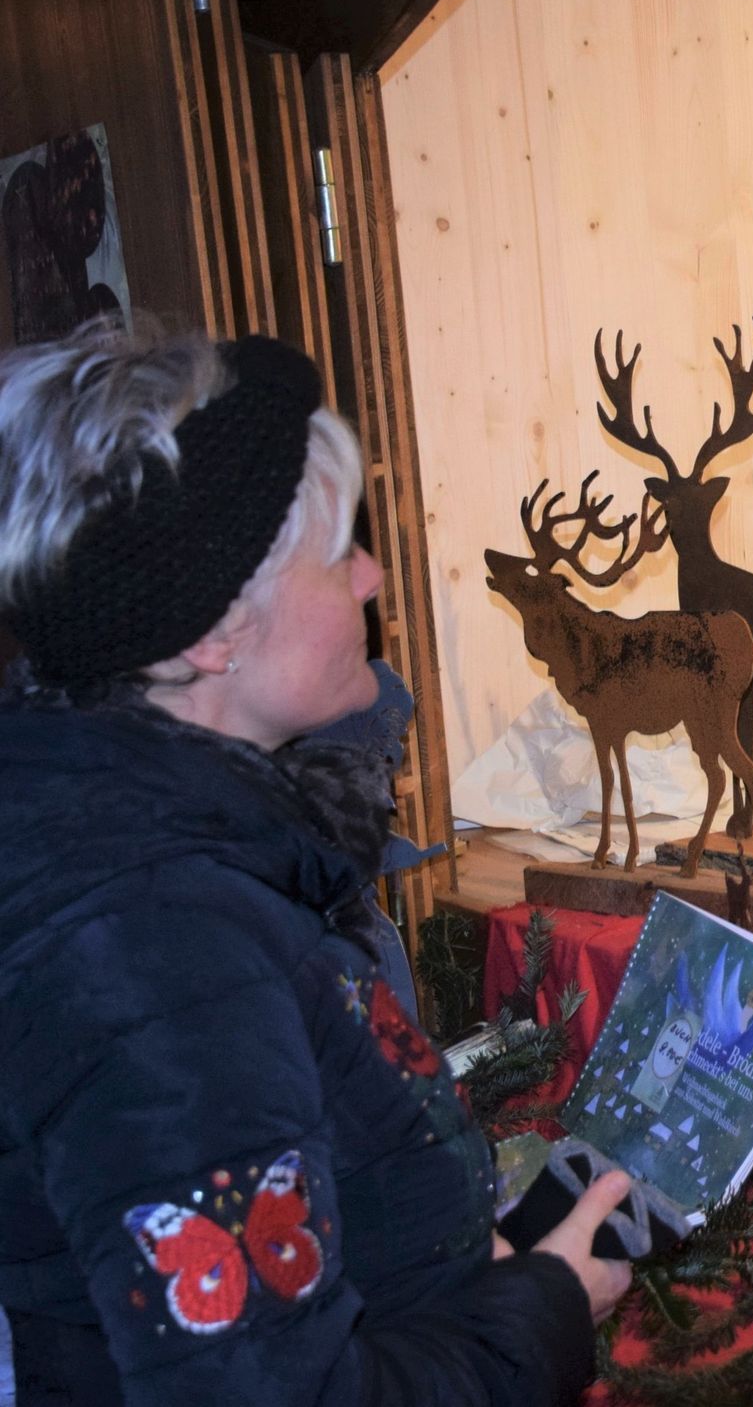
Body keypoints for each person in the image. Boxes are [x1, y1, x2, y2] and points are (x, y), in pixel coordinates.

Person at [0, 320, 631, 1404]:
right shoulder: (156, 951)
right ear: (212, 634)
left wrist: (440, 1245)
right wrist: (543, 1310)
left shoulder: (187, 848)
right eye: (339, 551)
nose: (376, 575)